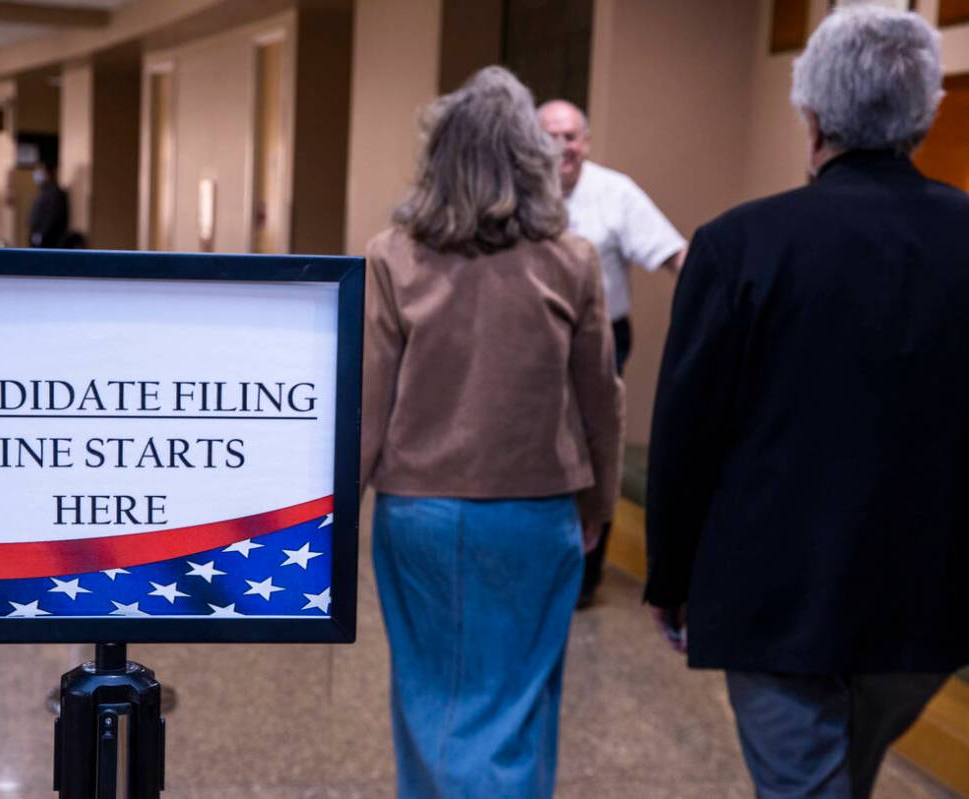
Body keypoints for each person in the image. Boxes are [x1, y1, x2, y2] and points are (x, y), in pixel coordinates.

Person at [644, 7, 968, 799]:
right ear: (925, 115)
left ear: (812, 117)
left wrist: (671, 575)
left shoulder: (737, 244)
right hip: (934, 593)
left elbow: (688, 431)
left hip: (775, 596)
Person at [362, 66, 624, 797]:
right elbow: (600, 396)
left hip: (418, 511)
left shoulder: (393, 255)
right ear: (534, 158)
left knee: (427, 696)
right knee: (521, 700)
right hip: (534, 512)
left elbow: (367, 405)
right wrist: (600, 503)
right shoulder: (570, 259)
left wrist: (325, 523)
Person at [536, 99, 686, 609]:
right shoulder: (514, 189)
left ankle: (583, 572)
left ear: (587, 142)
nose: (563, 147)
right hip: (529, 338)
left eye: (572, 136)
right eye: (551, 135)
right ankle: (537, 556)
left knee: (594, 439)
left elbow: (674, 253)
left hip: (601, 337)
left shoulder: (614, 191)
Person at [28, 162, 69, 248]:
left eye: (40, 171)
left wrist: (41, 235)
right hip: (37, 238)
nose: (36, 175)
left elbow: (52, 218)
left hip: (49, 241)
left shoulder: (55, 194)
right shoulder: (43, 192)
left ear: (47, 173)